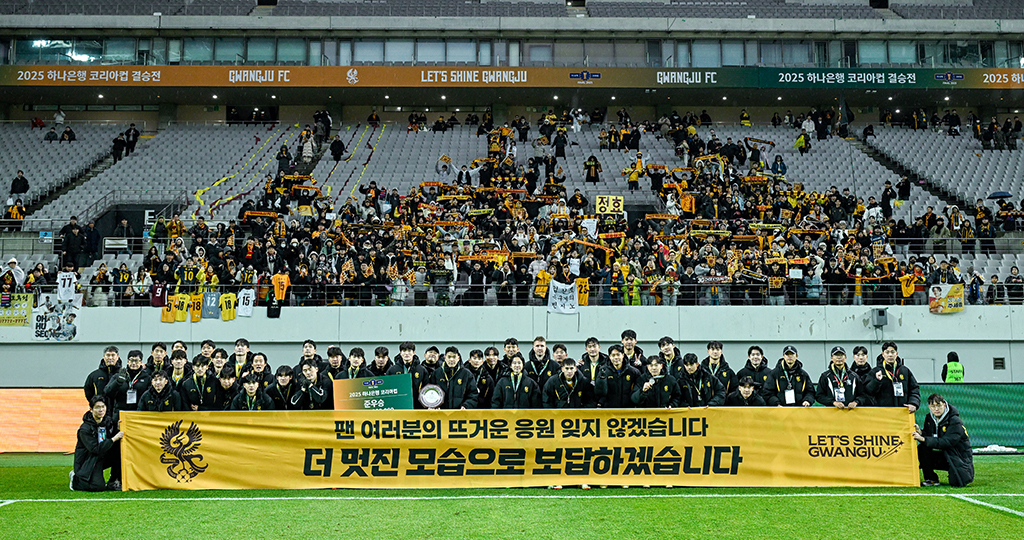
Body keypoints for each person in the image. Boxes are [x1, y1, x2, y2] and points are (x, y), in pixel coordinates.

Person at [913, 394, 975, 487]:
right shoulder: (929, 418)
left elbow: (947, 442)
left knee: (957, 483)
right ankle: (931, 479)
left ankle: (961, 472)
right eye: (933, 406)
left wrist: (923, 439)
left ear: (944, 405)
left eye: (939, 405)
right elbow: (931, 436)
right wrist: (921, 432)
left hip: (958, 456)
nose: (936, 409)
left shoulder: (954, 421)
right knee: (922, 448)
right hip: (944, 454)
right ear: (929, 407)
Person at [71, 396, 123, 492]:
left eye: (103, 407)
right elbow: (95, 449)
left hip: (102, 456)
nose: (101, 410)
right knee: (98, 487)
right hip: (89, 460)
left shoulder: (108, 422)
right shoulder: (84, 429)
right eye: (97, 407)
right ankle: (75, 480)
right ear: (91, 409)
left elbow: (111, 438)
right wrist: (114, 438)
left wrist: (117, 429)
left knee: (120, 449)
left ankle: (113, 481)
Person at [866, 341, 920, 413]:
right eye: (887, 352)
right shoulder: (875, 371)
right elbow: (868, 392)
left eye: (892, 352)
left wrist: (913, 403)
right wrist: (876, 381)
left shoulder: (905, 371)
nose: (890, 355)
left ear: (896, 354)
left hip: (903, 412)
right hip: (882, 413)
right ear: (883, 354)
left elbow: (914, 389)